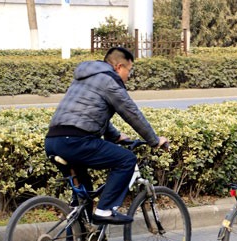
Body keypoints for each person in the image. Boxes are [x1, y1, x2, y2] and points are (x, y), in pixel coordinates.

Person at [45, 47, 168, 225]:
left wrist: (116, 136)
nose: (128, 77)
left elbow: (89, 114)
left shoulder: (85, 78)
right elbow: (131, 113)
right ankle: (105, 210)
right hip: (76, 141)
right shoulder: (110, 80)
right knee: (126, 160)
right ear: (119, 67)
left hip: (53, 141)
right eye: (129, 71)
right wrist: (154, 140)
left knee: (83, 196)